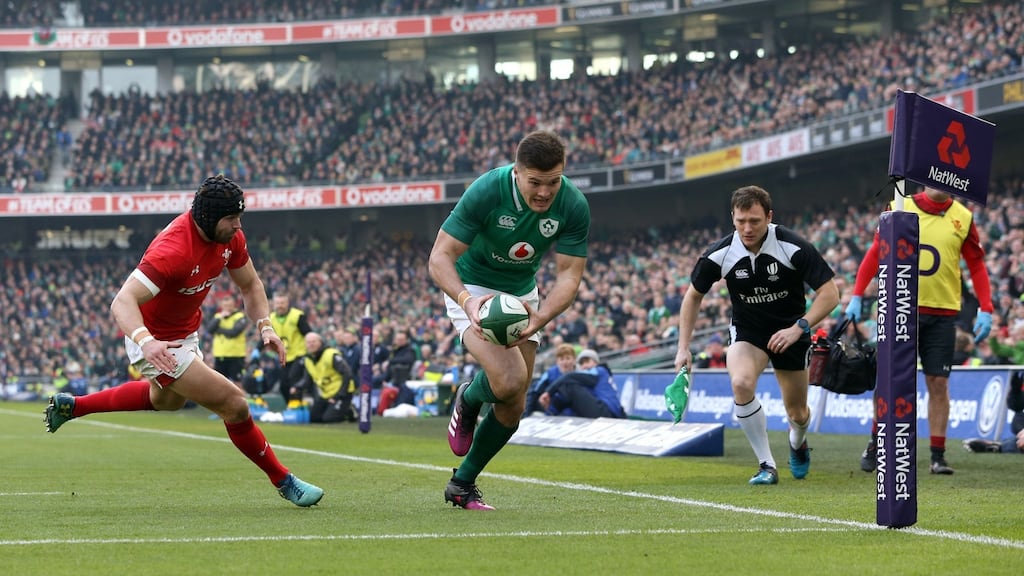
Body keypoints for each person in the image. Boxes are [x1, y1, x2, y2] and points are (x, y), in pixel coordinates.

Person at [43, 174, 323, 507]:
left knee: (168, 402)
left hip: (184, 333)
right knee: (234, 404)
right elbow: (122, 301)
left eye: (239, 217)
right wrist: (146, 341)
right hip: (152, 338)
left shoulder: (230, 239)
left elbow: (250, 286)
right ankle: (283, 479)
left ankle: (74, 406)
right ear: (208, 217)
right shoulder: (173, 249)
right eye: (231, 219)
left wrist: (265, 326)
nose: (238, 226)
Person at [428, 130, 590, 510]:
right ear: (517, 173)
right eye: (535, 182)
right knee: (510, 379)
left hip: (522, 295)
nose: (545, 193)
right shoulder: (487, 191)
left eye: (553, 182)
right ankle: (469, 397)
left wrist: (543, 316)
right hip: (472, 288)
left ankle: (461, 483)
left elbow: (569, 275)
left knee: (514, 404)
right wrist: (467, 303)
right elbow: (439, 257)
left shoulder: (573, 204)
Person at [674, 185, 839, 485]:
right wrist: (683, 347)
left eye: (755, 221)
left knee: (798, 413)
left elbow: (830, 294)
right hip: (748, 333)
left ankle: (798, 443)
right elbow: (692, 296)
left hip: (791, 332)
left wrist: (799, 328)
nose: (747, 228)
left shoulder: (793, 246)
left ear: (769, 217)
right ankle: (767, 465)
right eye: (740, 221)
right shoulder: (720, 253)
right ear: (732, 218)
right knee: (740, 383)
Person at [846, 186, 993, 475]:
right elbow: (876, 251)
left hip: (943, 314)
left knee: (938, 383)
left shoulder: (963, 216)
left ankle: (938, 455)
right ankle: (877, 442)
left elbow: (976, 264)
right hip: (901, 308)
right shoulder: (899, 206)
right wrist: (856, 294)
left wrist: (986, 308)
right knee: (889, 380)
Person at [538, 348, 625, 418]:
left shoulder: (599, 370)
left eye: (587, 361)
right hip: (611, 412)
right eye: (582, 363)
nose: (585, 365)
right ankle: (551, 414)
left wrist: (548, 392)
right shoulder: (596, 377)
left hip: (606, 412)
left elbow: (569, 377)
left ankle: (549, 415)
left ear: (596, 362)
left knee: (570, 386)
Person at [294, 332, 357, 423]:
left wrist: (338, 395)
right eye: (308, 342)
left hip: (342, 392)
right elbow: (307, 380)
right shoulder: (308, 359)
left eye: (314, 342)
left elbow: (347, 374)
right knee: (313, 418)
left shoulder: (331, 354)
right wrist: (297, 387)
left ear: (320, 342)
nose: (311, 344)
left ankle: (349, 411)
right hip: (325, 394)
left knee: (329, 419)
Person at [270, 292, 312, 405]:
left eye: (282, 303)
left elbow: (308, 334)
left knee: (294, 379)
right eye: (278, 303)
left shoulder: (297, 316)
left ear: (288, 303)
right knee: (283, 384)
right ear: (274, 304)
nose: (280, 305)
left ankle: (296, 405)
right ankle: (291, 405)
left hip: (299, 354)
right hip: (284, 357)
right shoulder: (271, 318)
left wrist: (310, 350)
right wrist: (258, 350)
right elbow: (267, 335)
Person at [204, 295, 249, 388]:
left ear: (234, 305)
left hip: (236, 355)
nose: (227, 308)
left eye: (229, 305)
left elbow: (234, 332)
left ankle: (240, 402)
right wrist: (220, 317)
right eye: (225, 305)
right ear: (221, 306)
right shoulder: (217, 317)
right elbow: (209, 329)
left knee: (238, 383)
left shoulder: (240, 316)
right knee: (219, 384)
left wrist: (218, 330)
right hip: (220, 355)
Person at [523, 343, 577, 416]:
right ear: (557, 361)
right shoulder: (550, 373)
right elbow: (535, 392)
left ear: (574, 360)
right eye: (561, 359)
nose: (565, 362)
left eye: (568, 358)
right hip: (550, 409)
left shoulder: (579, 374)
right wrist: (526, 415)